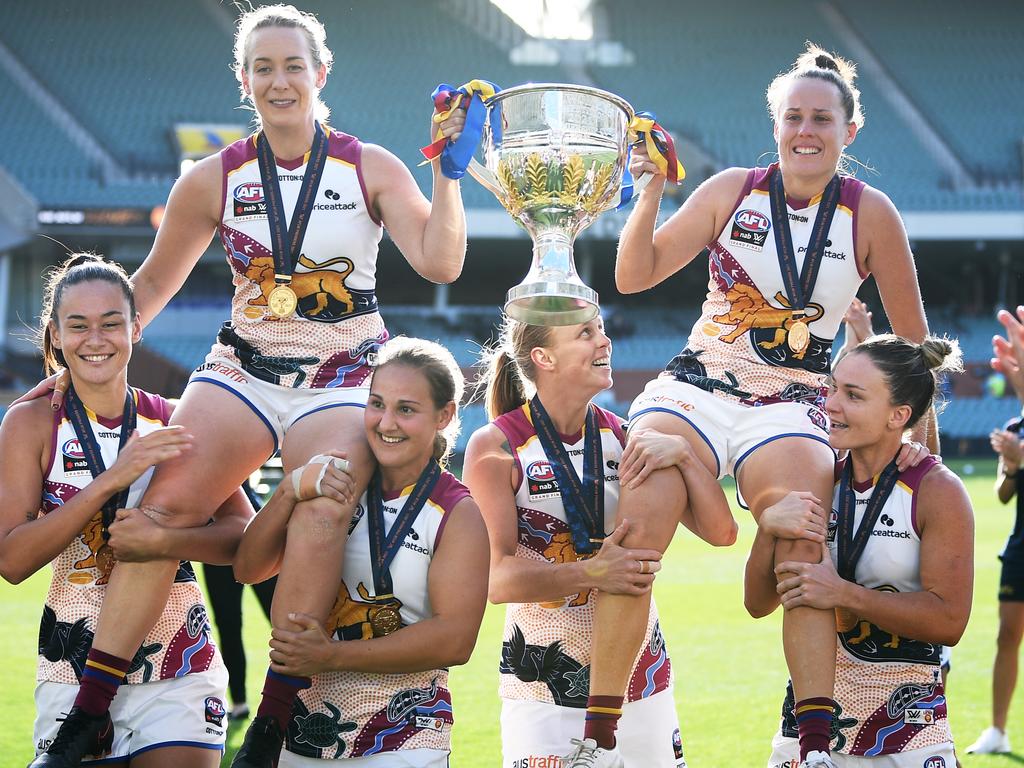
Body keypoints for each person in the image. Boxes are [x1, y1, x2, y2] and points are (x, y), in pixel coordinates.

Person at [27, 6, 469, 767]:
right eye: (262, 68)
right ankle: (89, 714)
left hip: (343, 370)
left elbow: (441, 263)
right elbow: (151, 288)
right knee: (156, 505)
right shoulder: (216, 176)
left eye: (293, 65)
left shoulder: (370, 165)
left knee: (323, 501)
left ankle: (270, 721)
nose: (279, 80)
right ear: (244, 82)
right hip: (244, 369)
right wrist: (71, 362)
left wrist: (447, 171)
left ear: (320, 74)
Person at [572, 43, 930, 768]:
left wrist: (926, 453)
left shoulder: (872, 214)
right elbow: (634, 273)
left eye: (821, 118)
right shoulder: (733, 189)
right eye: (793, 116)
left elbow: (914, 353)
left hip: (794, 400)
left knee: (803, 538)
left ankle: (816, 748)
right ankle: (598, 739)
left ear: (848, 131)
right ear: (775, 125)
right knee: (637, 530)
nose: (806, 130)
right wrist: (648, 193)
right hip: (695, 388)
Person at [0, 255, 253, 766]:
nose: (96, 339)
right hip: (72, 665)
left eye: (112, 322)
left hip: (180, 663)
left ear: (135, 327)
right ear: (55, 334)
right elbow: (11, 561)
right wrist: (112, 479)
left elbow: (241, 535)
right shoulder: (30, 424)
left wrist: (167, 541)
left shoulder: (174, 417)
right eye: (78, 326)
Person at [464, 315, 736, 768]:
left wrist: (686, 456)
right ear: (543, 357)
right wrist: (591, 571)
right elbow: (496, 579)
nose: (605, 340)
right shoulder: (497, 445)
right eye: (586, 333)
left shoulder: (627, 435)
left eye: (602, 329)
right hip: (544, 684)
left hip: (642, 681)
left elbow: (722, 532)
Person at [232, 336, 488, 766]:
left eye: (406, 409)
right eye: (376, 404)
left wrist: (331, 655)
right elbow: (247, 568)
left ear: (444, 416)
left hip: (404, 735)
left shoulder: (456, 512)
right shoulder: (335, 483)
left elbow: (455, 641)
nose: (385, 423)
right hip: (300, 732)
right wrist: (289, 490)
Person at [744, 334, 972, 768]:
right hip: (807, 737)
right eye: (832, 387)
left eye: (853, 395)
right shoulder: (816, 477)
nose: (831, 403)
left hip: (907, 735)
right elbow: (757, 604)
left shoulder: (936, 489)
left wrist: (845, 595)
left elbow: (949, 620)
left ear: (897, 415)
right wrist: (767, 530)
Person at [964, 310, 1024, 755]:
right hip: (1020, 548)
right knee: (1007, 635)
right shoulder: (1015, 429)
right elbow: (1005, 493)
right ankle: (998, 731)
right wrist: (1014, 465)